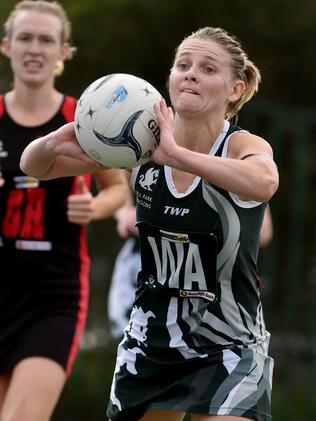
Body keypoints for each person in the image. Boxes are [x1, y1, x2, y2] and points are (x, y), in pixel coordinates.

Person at [20, 26, 279, 421]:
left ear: (235, 90)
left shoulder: (241, 146)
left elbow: (265, 182)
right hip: (151, 342)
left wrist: (176, 156)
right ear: (170, 80)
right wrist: (57, 138)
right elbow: (34, 165)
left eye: (208, 69)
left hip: (229, 343)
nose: (191, 73)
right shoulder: (141, 140)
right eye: (183, 65)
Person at [0, 2, 127, 421]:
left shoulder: (84, 118)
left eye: (46, 39)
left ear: (63, 52)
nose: (34, 48)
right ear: (6, 46)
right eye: (25, 37)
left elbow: (118, 192)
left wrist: (94, 206)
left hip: (53, 295)